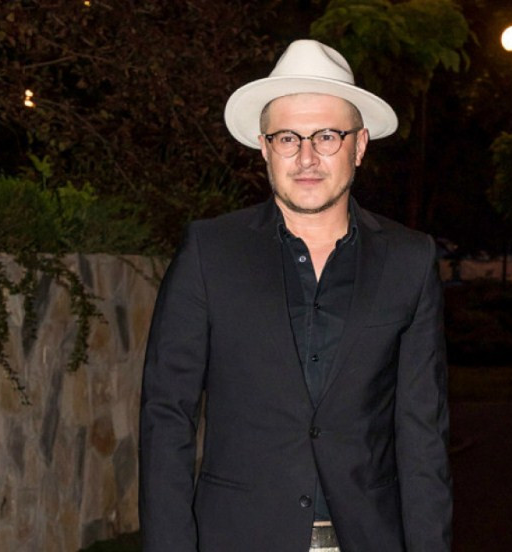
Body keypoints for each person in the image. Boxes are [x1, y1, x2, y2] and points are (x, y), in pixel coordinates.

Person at [139, 39, 452, 552]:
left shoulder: (409, 260)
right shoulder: (209, 252)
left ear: (360, 145)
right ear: (264, 147)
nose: (306, 157)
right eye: (287, 137)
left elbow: (423, 435)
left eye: (327, 135)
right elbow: (166, 417)